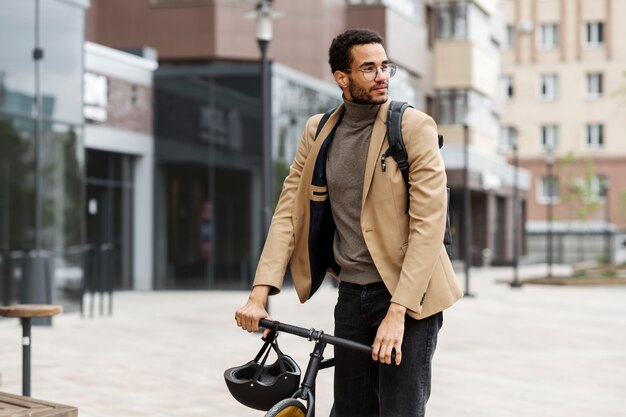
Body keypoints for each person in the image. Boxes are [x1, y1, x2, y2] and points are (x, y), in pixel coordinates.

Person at [235, 28, 463, 417]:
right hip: (353, 296)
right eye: (369, 68)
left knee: (400, 410)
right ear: (342, 78)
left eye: (385, 66)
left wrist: (398, 312)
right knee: (350, 410)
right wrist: (259, 293)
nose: (382, 76)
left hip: (410, 296)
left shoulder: (412, 127)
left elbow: (427, 226)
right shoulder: (318, 131)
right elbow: (289, 212)